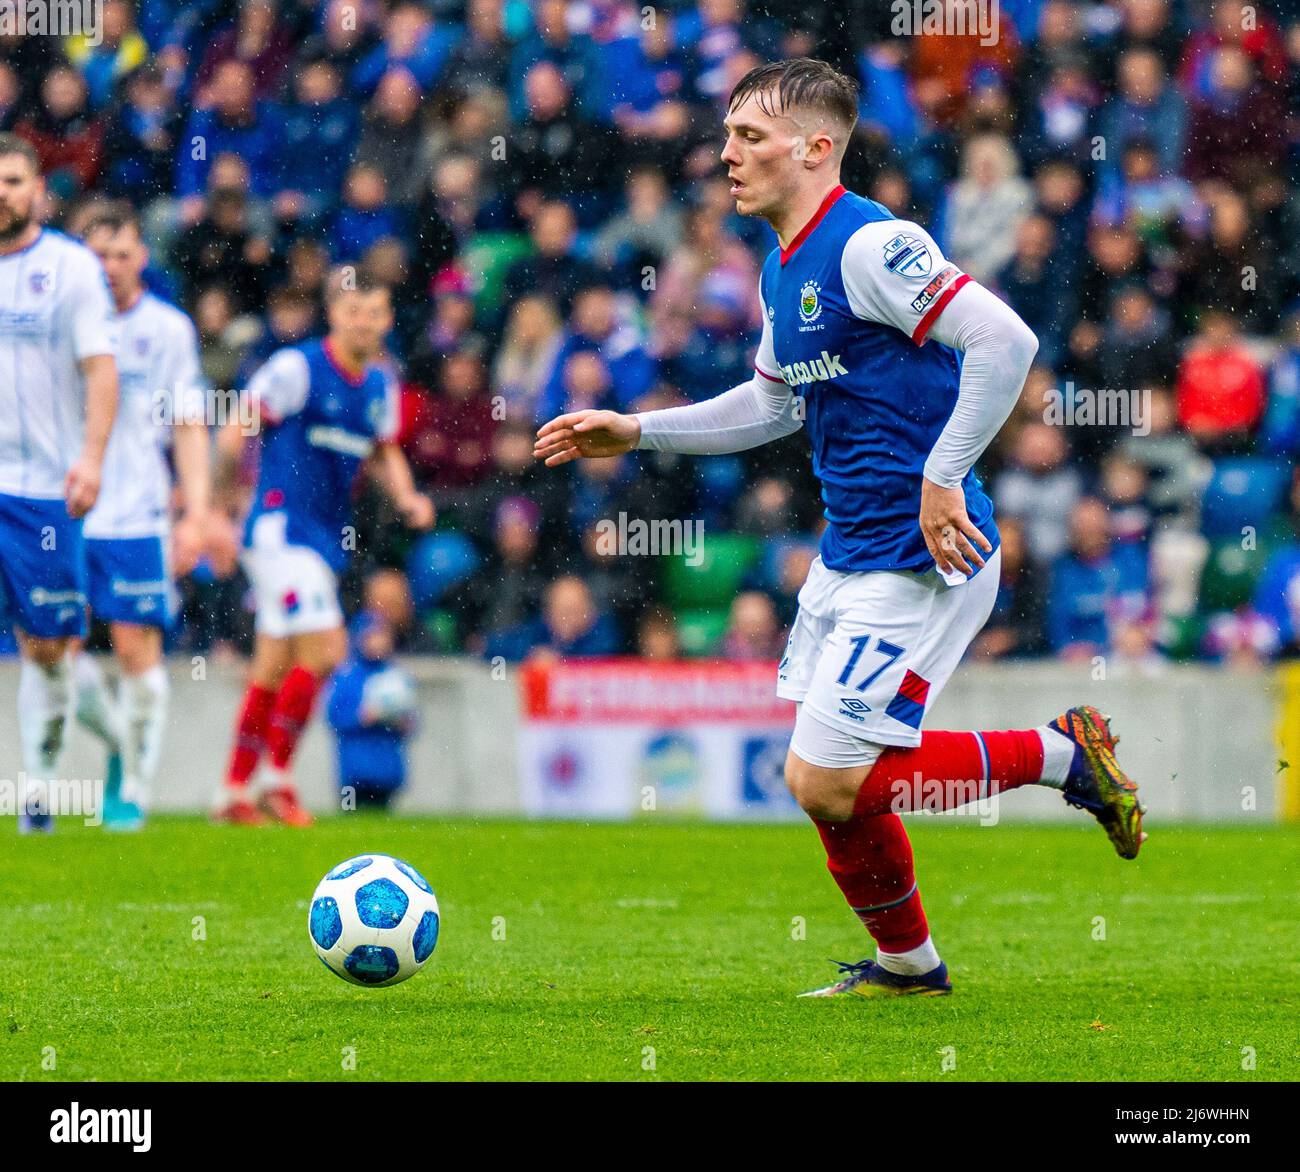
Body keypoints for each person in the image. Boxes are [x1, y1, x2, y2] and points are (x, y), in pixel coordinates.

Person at [534, 58, 1145, 999]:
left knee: (824, 777)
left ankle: (1062, 755)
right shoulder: (785, 265)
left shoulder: (870, 244)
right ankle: (908, 965)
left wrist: (944, 476)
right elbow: (773, 406)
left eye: (750, 137)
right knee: (834, 786)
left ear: (818, 149)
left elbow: (1007, 342)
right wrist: (640, 429)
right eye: (728, 133)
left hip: (926, 553)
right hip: (853, 553)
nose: (726, 153)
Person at [213, 270, 434, 826]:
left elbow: (381, 451)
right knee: (330, 650)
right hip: (280, 530)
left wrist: (407, 496)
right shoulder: (296, 369)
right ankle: (277, 779)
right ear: (334, 313)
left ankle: (234, 790)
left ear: (387, 321)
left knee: (274, 664)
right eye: (353, 310)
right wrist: (215, 510)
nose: (363, 322)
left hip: (322, 540)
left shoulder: (380, 384)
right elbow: (236, 427)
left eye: (375, 313)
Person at [71, 205, 211, 830]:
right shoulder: (61, 321)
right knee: (54, 653)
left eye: (121, 253)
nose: (109, 266)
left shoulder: (169, 329)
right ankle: (120, 743)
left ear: (142, 258)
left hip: (136, 513)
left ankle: (132, 792)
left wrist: (197, 514)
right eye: (97, 254)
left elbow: (188, 426)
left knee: (136, 651)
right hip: (62, 509)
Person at [0, 134, 119, 834]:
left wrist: (92, 458)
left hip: (42, 487)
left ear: (38, 188)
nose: (2, 192)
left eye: (13, 180)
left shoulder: (70, 268)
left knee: (47, 645)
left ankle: (95, 753)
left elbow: (99, 368)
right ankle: (38, 800)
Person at [325, 611, 417, 811]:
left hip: (387, 768)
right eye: (372, 637)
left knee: (382, 824)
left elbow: (412, 721)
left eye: (383, 637)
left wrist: (402, 723)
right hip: (355, 768)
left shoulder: (396, 676)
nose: (378, 643)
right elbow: (334, 717)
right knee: (349, 818)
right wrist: (362, 717)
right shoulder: (346, 676)